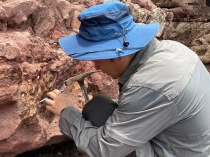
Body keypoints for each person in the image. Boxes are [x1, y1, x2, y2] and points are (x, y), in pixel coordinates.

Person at [43, 1, 210, 157]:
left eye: (98, 59)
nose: (96, 67)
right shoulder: (173, 48)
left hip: (181, 153)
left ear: (118, 54)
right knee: (98, 107)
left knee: (97, 118)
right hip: (190, 142)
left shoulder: (148, 85)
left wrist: (66, 111)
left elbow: (104, 149)